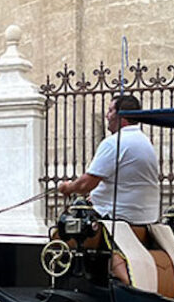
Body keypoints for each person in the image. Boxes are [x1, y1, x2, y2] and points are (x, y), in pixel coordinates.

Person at [58, 94, 160, 224]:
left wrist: (68, 187)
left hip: (117, 215)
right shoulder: (144, 141)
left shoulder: (114, 142)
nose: (107, 116)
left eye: (111, 111)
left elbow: (85, 185)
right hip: (145, 216)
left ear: (121, 116)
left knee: (64, 227)